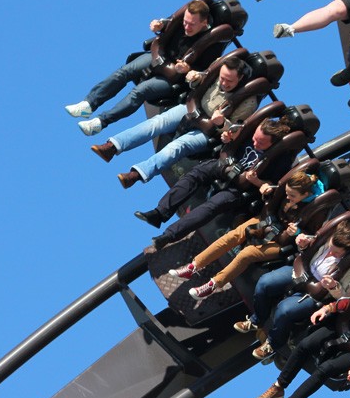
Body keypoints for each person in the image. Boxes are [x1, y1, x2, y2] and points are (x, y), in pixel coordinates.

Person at [89, 54, 259, 185]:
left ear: (240, 79)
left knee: (178, 146)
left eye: (229, 81)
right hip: (194, 108)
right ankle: (113, 146)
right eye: (222, 78)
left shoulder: (248, 101)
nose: (223, 83)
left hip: (208, 131)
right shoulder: (217, 68)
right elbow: (202, 78)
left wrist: (222, 123)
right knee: (158, 122)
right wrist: (193, 76)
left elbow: (235, 130)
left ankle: (136, 174)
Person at [64, 0, 222, 135]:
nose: (186, 27)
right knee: (125, 71)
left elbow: (203, 72)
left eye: (191, 24)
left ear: (204, 22)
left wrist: (188, 70)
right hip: (161, 56)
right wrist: (160, 25)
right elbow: (168, 25)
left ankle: (100, 123)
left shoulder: (212, 43)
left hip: (174, 78)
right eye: (185, 22)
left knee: (140, 91)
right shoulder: (182, 22)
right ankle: (89, 104)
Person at [134, 118, 296, 249]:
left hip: (241, 188)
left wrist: (257, 181)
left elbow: (272, 185)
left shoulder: (282, 159)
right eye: (254, 139)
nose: (255, 144)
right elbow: (228, 136)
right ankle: (159, 213)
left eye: (260, 143)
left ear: (272, 144)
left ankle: (168, 236)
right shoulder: (248, 131)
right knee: (196, 174)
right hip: (226, 167)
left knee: (212, 206)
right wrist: (226, 137)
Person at [169, 170, 324, 300]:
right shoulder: (289, 189)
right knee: (233, 235)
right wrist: (265, 190)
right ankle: (194, 266)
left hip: (282, 240)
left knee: (247, 254)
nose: (288, 197)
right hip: (266, 222)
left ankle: (213, 285)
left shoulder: (317, 209)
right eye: (287, 193)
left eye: (292, 196)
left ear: (306, 194)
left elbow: (313, 235)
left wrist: (298, 233)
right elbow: (273, 195)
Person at [238, 221, 350, 361]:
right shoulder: (328, 238)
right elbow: (307, 249)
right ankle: (257, 319)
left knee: (284, 309)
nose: (331, 253)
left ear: (348, 252)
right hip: (301, 272)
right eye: (330, 248)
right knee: (264, 282)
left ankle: (273, 343)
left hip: (317, 293)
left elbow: (346, 298)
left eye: (336, 253)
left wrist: (333, 286)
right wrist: (303, 244)